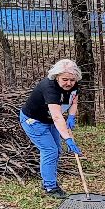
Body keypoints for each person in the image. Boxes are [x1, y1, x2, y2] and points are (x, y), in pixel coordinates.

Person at [19, 59, 84, 199]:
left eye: (72, 80)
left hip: (49, 119)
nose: (69, 83)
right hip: (34, 121)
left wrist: (71, 116)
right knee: (50, 150)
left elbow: (74, 101)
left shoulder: (74, 85)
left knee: (57, 150)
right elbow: (57, 117)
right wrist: (68, 138)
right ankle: (50, 187)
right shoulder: (50, 88)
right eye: (65, 79)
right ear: (57, 77)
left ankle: (48, 180)